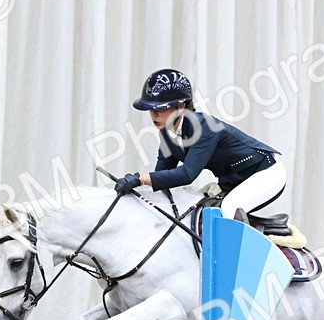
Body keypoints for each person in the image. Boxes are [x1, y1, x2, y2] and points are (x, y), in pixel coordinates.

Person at [114, 69, 287, 219]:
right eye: (151, 109)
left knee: (230, 208)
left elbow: (188, 174)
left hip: (266, 172)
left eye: (160, 108)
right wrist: (137, 193)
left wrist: (141, 178)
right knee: (191, 205)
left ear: (180, 106)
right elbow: (162, 176)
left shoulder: (204, 127)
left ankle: (241, 257)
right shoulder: (167, 133)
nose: (154, 114)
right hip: (234, 179)